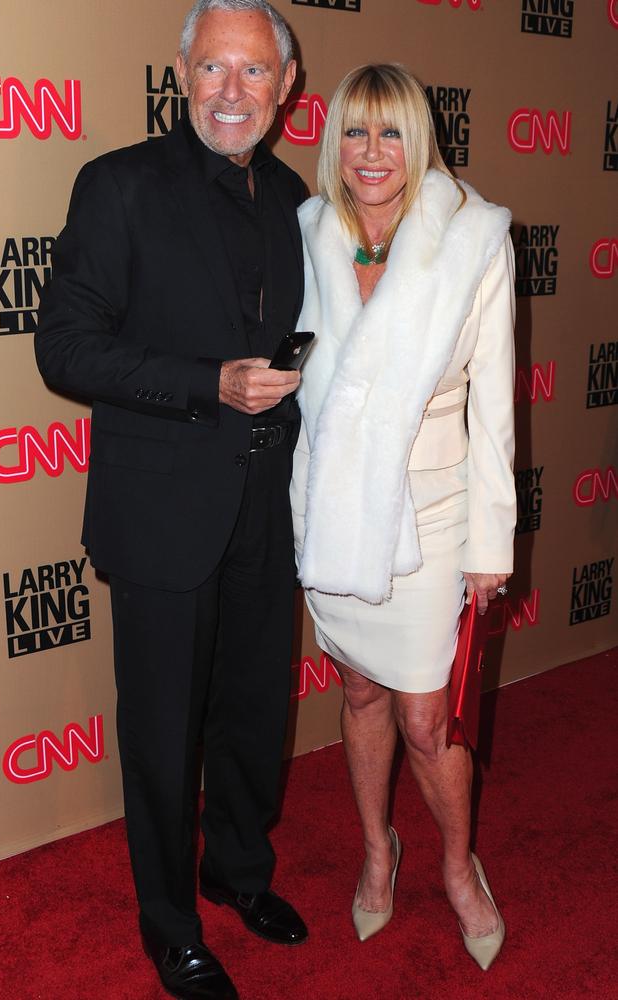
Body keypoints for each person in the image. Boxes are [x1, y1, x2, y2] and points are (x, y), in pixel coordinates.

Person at [36, 2, 309, 998]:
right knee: (160, 732)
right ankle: (169, 925)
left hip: (263, 510)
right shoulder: (118, 188)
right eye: (212, 70)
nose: (229, 91)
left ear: (285, 90)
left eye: (251, 73)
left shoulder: (294, 200)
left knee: (248, 716)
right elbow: (63, 346)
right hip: (159, 515)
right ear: (182, 74)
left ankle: (237, 871)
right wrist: (209, 382)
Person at [291, 64, 516, 971]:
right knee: (358, 690)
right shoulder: (308, 231)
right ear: (333, 142)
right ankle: (379, 849)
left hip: (433, 510)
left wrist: (488, 543)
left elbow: (495, 406)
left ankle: (459, 867)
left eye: (391, 133)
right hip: (337, 507)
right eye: (355, 131)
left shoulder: (473, 238)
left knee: (429, 719)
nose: (372, 154)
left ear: (420, 140)